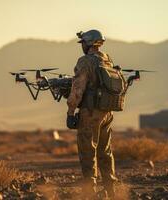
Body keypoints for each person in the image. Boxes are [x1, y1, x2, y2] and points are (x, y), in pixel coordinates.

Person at [66, 29, 118, 199]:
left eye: (83, 43)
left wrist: (71, 110)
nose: (82, 46)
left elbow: (78, 88)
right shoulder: (107, 59)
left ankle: (90, 192)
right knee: (105, 152)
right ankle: (111, 190)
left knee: (87, 152)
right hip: (107, 112)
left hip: (90, 113)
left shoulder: (85, 61)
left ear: (88, 43)